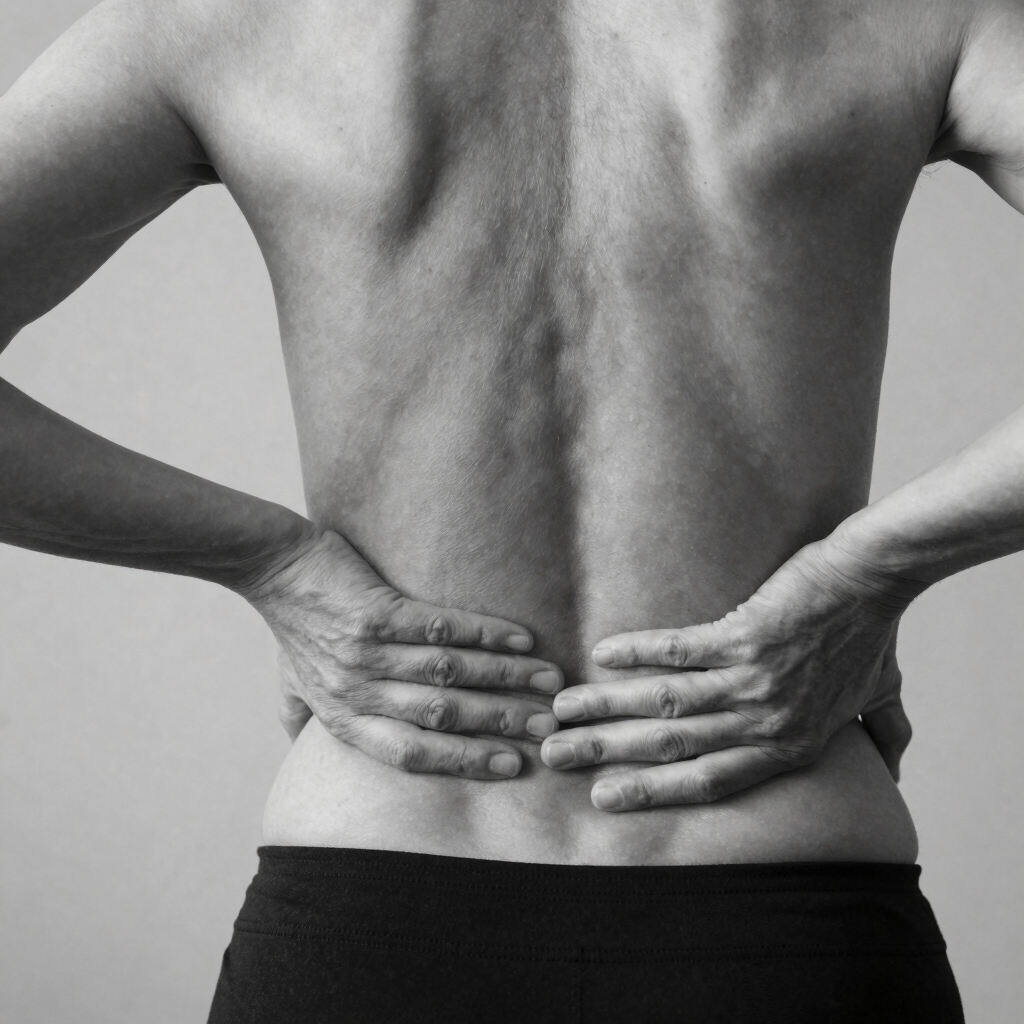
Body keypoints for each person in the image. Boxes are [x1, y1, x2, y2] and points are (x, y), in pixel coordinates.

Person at [3, 0, 1023, 1019]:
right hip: (787, 906)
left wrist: (268, 562)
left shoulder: (225, 21)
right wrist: (874, 568)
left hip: (378, 908)